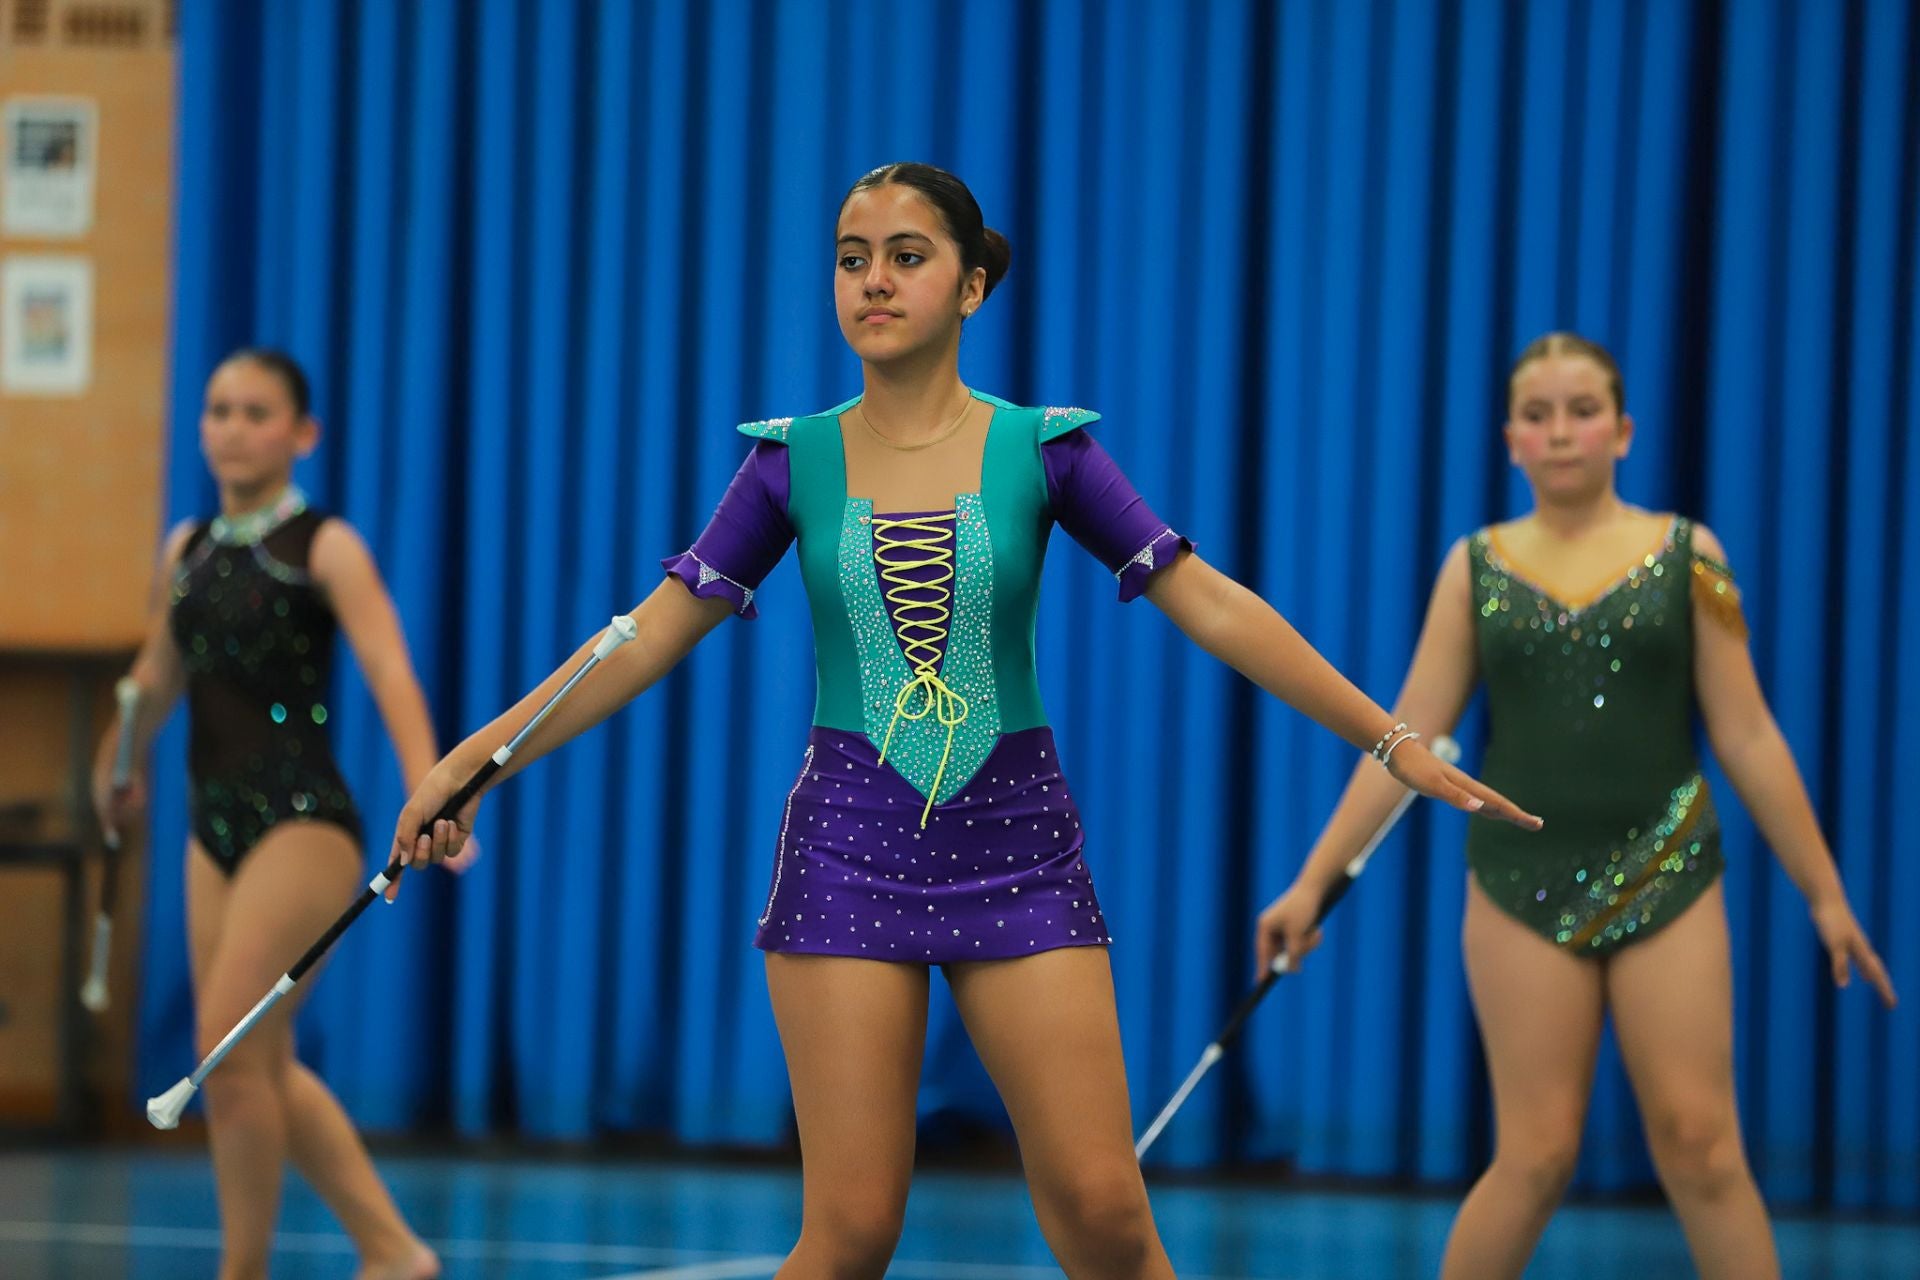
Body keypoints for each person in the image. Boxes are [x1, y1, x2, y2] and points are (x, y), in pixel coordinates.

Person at [391, 163, 1537, 1280]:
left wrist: (1390, 738)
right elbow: (637, 637)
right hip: (844, 851)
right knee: (845, 1239)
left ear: (971, 285)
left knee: (1105, 1217)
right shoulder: (792, 462)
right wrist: (472, 760)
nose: (873, 282)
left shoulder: (1046, 450)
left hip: (1018, 853)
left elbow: (1216, 604)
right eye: (851, 260)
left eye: (906, 256)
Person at [1253, 331, 1898, 1280]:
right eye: (1538, 415)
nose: (1562, 433)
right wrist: (1310, 884)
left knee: (1701, 1143)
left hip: (1666, 868)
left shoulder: (1691, 553)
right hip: (1519, 885)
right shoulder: (1473, 567)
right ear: (1511, 438)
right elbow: (1404, 744)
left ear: (1625, 431)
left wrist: (1827, 895)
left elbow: (1750, 735)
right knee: (1538, 1152)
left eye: (1583, 411)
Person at [96, 349, 443, 1280]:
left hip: (305, 822)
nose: (233, 428)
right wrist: (115, 763)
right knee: (259, 1059)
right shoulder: (188, 546)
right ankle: (394, 1251)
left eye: (257, 412)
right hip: (212, 829)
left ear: (302, 433)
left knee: (227, 1047)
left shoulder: (325, 545)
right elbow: (155, 676)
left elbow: (390, 672)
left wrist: (435, 788)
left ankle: (240, 1271)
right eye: (219, 410)